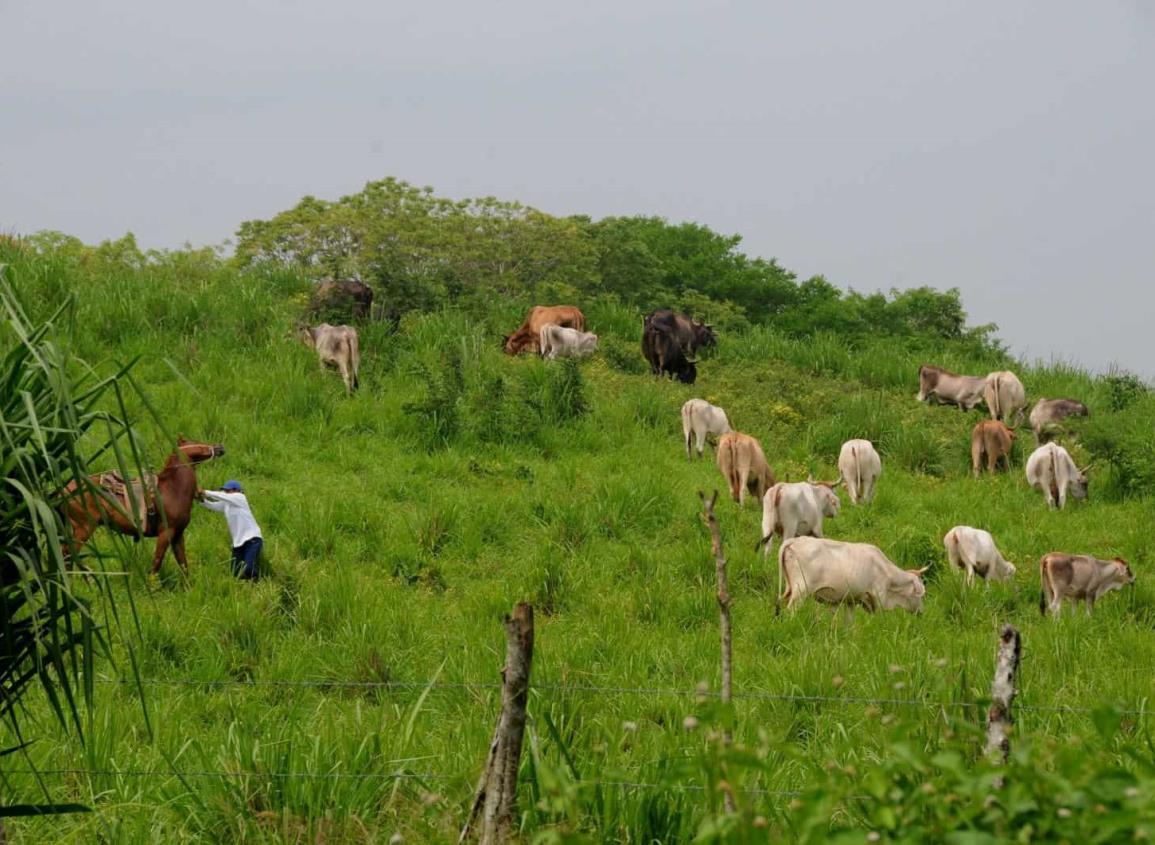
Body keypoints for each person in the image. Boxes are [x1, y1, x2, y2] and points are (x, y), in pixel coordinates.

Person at [198, 479, 263, 580]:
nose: (226, 492)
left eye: (227, 490)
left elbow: (222, 496)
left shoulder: (240, 497)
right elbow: (212, 506)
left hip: (252, 539)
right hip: (238, 542)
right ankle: (245, 589)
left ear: (236, 490)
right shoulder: (226, 504)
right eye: (225, 490)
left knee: (249, 568)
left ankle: (257, 584)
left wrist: (204, 492)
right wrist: (200, 499)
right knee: (235, 573)